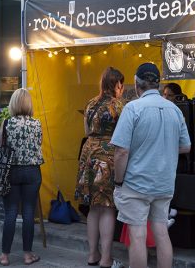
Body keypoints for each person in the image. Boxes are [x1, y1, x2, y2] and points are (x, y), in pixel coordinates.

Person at [111, 63, 191, 268]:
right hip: (164, 182)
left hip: (136, 183)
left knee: (137, 235)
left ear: (137, 85)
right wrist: (162, 147)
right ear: (158, 83)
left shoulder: (132, 108)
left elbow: (121, 151)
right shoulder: (175, 110)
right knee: (161, 232)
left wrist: (118, 181)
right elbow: (186, 146)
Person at [75, 67, 125, 268]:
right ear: (116, 84)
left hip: (88, 155)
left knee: (93, 208)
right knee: (107, 208)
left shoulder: (90, 103)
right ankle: (106, 258)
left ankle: (92, 254)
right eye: (121, 84)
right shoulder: (118, 105)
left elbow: (87, 131)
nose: (121, 89)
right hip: (108, 155)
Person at [0, 88, 44, 266]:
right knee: (29, 212)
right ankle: (27, 255)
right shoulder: (37, 123)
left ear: (13, 104)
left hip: (11, 171)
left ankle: (5, 256)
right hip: (32, 171)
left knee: (10, 212)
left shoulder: (6, 123)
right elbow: (38, 144)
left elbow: (0, 146)